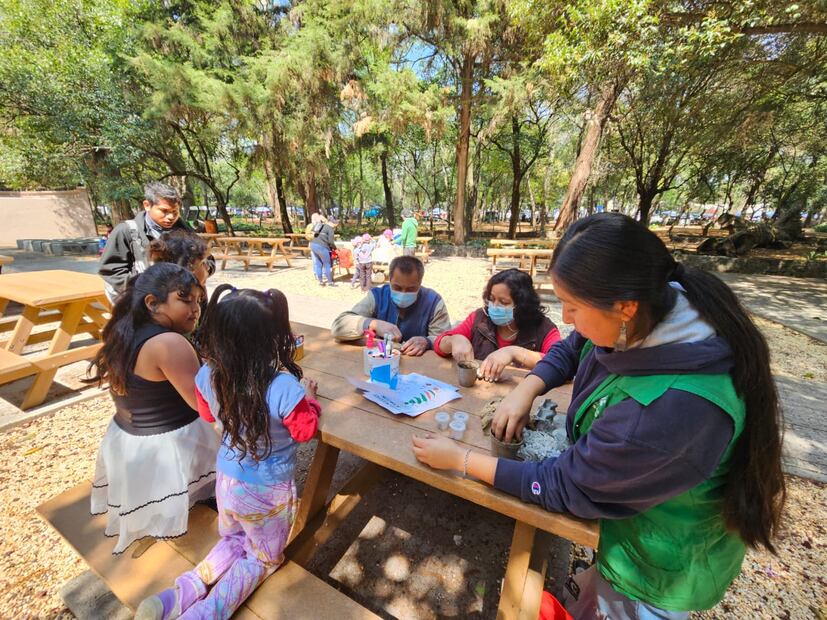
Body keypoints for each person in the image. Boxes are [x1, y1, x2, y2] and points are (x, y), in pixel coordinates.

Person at [411, 213, 785, 619]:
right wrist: (526, 388)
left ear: (624, 307)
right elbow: (574, 347)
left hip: (653, 569)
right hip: (627, 526)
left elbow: (567, 487)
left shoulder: (669, 411)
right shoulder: (655, 309)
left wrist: (462, 460)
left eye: (572, 307)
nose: (567, 319)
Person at [135, 285, 320, 620]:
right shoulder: (284, 387)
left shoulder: (206, 375)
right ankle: (204, 614)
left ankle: (179, 594)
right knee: (261, 558)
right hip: (267, 491)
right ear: (272, 336)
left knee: (235, 540)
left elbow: (207, 416)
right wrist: (310, 400)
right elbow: (305, 431)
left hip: (228, 482)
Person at [87, 263, 220, 555]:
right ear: (153, 303)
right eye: (185, 299)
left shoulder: (122, 333)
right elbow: (206, 407)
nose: (196, 308)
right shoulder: (169, 343)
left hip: (129, 443)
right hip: (171, 449)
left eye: (198, 300)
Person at [434, 269, 561, 380]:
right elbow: (439, 344)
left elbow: (559, 362)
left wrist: (514, 353)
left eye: (504, 302)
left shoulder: (543, 328)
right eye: (492, 298)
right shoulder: (480, 318)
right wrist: (454, 340)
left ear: (523, 305)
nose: (494, 306)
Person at [331, 255, 451, 356]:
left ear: (420, 283)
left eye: (411, 289)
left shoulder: (434, 302)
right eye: (397, 287)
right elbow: (339, 326)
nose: (403, 293)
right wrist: (372, 324)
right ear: (389, 280)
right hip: (380, 362)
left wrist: (427, 341)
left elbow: (447, 340)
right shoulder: (377, 296)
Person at [99, 182, 192, 302]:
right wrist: (144, 287)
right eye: (164, 211)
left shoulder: (184, 231)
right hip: (140, 303)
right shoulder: (125, 231)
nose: (170, 216)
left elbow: (206, 259)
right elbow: (111, 270)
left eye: (175, 211)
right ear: (147, 205)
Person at [309, 215, 337, 287]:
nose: (335, 226)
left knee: (318, 264)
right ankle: (330, 282)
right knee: (327, 264)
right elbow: (330, 241)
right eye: (335, 224)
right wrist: (335, 248)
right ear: (333, 223)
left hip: (313, 245)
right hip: (321, 247)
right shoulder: (330, 228)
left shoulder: (320, 226)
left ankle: (320, 281)